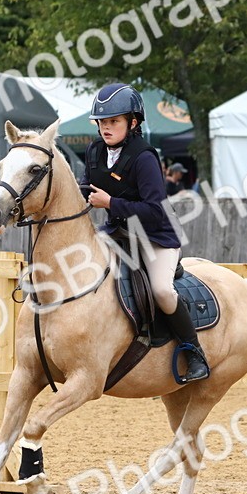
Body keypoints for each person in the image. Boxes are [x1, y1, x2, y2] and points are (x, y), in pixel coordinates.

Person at [82, 83, 209, 383]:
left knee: (162, 291)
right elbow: (85, 187)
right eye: (102, 122)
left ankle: (194, 353)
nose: (106, 128)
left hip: (156, 236)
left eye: (114, 121)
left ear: (133, 122)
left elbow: (155, 209)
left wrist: (111, 202)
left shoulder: (144, 158)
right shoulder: (94, 151)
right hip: (119, 234)